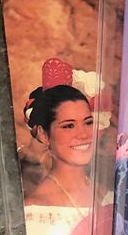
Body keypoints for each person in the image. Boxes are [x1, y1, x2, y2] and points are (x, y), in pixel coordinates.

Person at [22, 64, 95, 234]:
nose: (84, 134)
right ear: (43, 134)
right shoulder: (37, 212)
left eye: (88, 122)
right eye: (69, 126)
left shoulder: (106, 191)